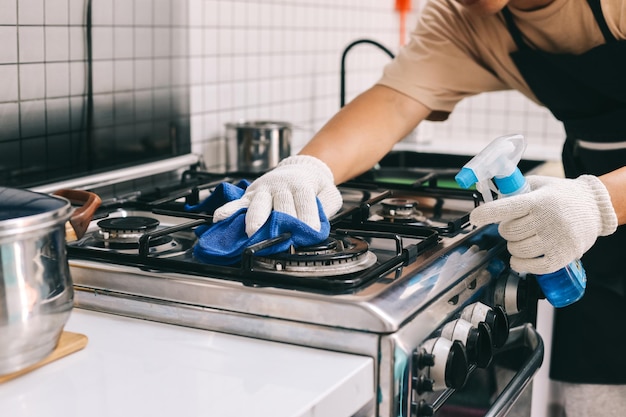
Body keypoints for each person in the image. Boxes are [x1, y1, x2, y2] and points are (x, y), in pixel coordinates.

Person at [214, 0, 626, 415]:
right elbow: (395, 101)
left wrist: (596, 201)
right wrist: (308, 167)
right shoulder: (461, 17)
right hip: (593, 216)